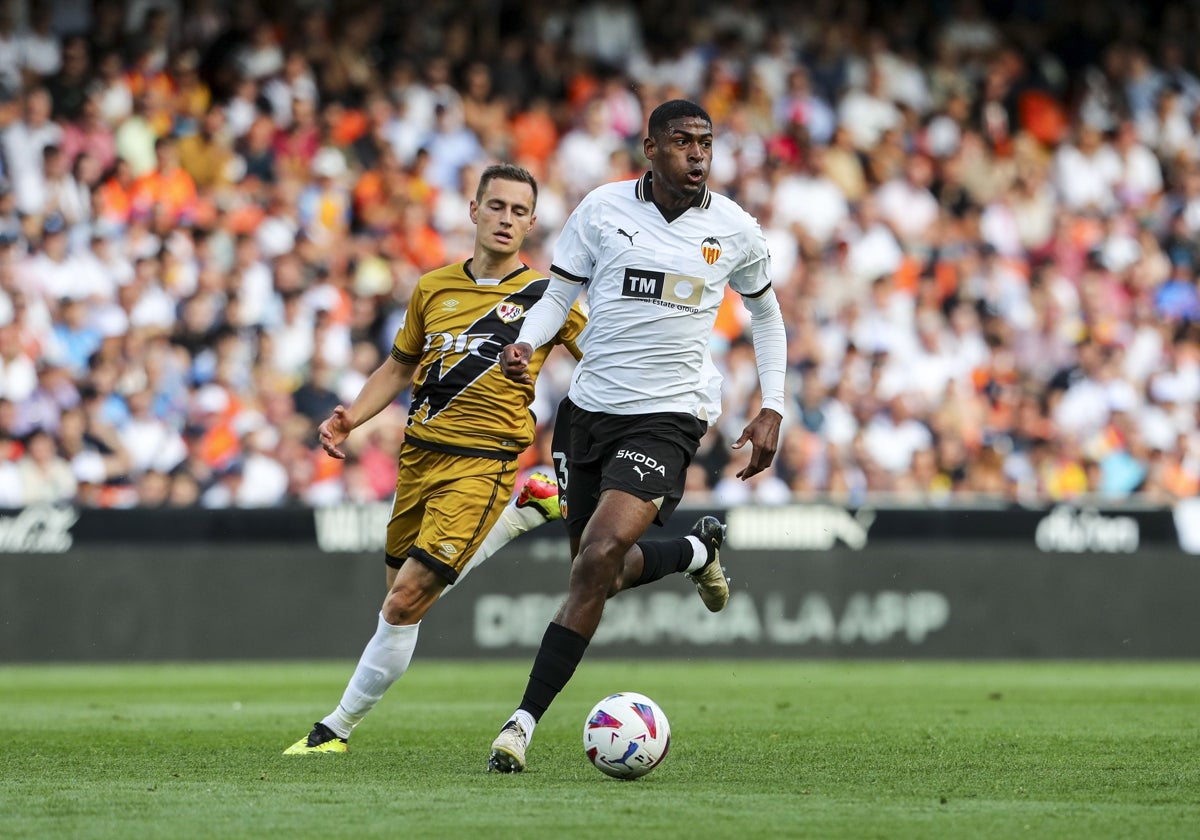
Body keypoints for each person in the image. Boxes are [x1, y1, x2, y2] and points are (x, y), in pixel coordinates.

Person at [487, 99, 787, 773]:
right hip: (588, 413)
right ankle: (690, 552)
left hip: (669, 416)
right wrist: (526, 346)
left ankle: (521, 724)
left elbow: (766, 317)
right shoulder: (601, 210)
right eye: (682, 141)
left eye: (705, 142)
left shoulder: (734, 228)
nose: (698, 153)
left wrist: (775, 406)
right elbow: (559, 296)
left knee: (598, 553)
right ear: (650, 149)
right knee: (598, 572)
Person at [284, 163, 587, 754]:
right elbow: (399, 365)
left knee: (404, 603)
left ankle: (334, 730)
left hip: (485, 459)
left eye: (519, 211)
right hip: (419, 459)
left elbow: (600, 357)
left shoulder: (549, 297)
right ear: (474, 211)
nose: (506, 219)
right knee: (401, 596)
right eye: (496, 206)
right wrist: (353, 416)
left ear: (531, 223)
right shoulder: (433, 287)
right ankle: (525, 511)